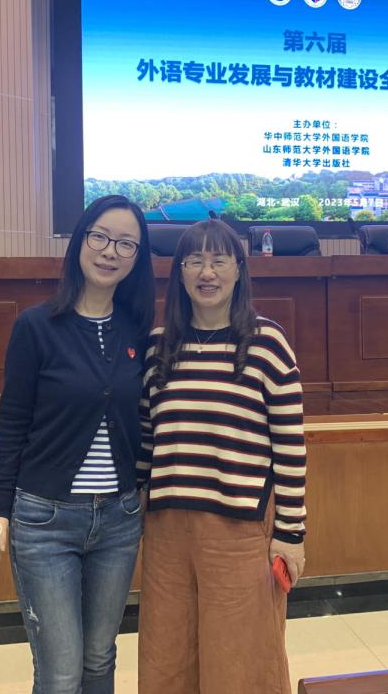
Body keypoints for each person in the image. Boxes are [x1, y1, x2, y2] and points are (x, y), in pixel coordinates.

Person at [0, 195, 154, 694]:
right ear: (80, 241)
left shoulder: (138, 330)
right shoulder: (36, 326)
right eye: (101, 236)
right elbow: (13, 422)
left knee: (99, 658)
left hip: (119, 520)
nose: (110, 251)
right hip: (45, 519)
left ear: (137, 258)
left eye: (126, 244)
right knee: (62, 671)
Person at [137, 218, 307, 694]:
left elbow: (291, 447)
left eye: (218, 260)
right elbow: (147, 442)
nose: (206, 272)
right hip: (167, 531)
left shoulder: (267, 343)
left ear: (238, 270)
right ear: (180, 272)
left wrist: (291, 534)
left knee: (241, 661)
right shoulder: (158, 346)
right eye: (194, 260)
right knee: (167, 656)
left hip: (240, 529)